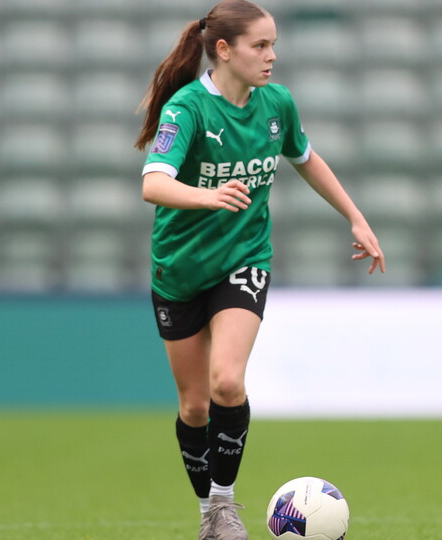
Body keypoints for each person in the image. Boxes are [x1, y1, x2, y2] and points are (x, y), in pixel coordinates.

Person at [135, 1, 385, 538]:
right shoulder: (188, 109)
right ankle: (207, 513)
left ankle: (224, 506)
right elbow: (152, 183)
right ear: (224, 50)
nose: (272, 56)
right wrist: (208, 195)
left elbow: (306, 158)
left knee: (227, 381)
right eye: (261, 46)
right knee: (194, 405)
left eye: (273, 45)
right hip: (178, 269)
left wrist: (355, 216)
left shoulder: (278, 104)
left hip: (245, 260)